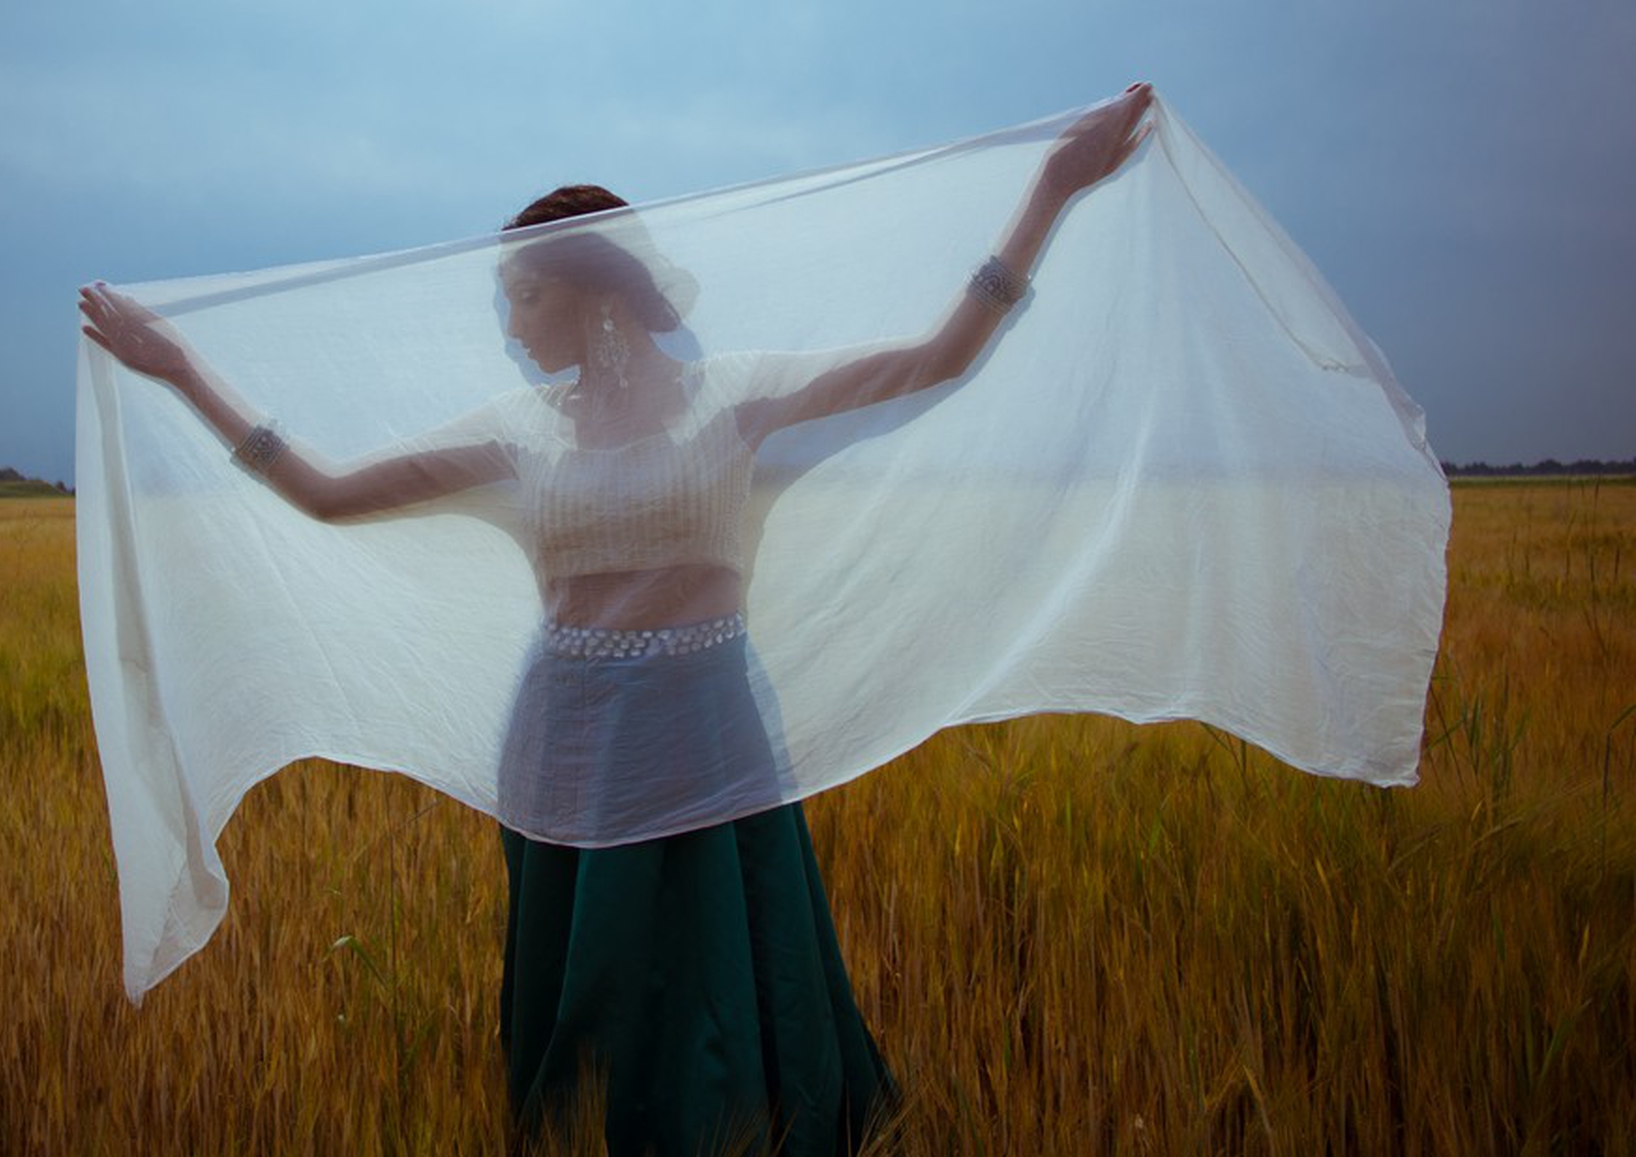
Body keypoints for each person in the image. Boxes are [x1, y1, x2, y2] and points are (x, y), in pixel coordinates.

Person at [79, 83, 1153, 1154]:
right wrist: (179, 369)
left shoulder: (737, 398)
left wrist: (1053, 187)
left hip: (709, 733)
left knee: (731, 968)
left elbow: (940, 355)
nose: (510, 324)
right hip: (567, 745)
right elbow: (326, 491)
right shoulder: (517, 433)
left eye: (525, 295)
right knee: (592, 984)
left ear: (597, 291)